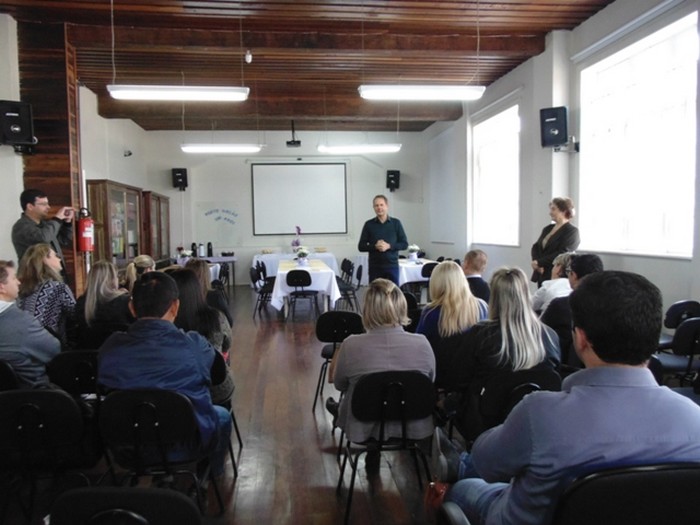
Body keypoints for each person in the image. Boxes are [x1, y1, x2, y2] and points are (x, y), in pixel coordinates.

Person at [437, 271, 700, 525]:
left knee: (462, 487)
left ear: (581, 338)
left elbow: (486, 465)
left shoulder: (540, 412)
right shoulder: (694, 419)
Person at [97, 271, 232, 477]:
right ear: (175, 307)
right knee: (222, 415)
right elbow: (218, 377)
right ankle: (213, 474)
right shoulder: (194, 345)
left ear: (132, 308)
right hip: (186, 443)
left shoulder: (110, 347)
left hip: (128, 445)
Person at [445, 267, 560, 441]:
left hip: (487, 424)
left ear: (494, 297)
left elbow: (456, 379)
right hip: (538, 421)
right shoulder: (550, 336)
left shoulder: (481, 334)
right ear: (525, 294)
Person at [327, 278, 435, 446]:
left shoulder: (351, 344)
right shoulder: (422, 343)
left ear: (367, 309)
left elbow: (339, 384)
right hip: (413, 424)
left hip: (363, 424)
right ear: (402, 306)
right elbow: (429, 381)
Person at [416, 261, 488, 388]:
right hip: (474, 374)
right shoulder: (482, 307)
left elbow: (420, 344)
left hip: (441, 374)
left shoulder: (431, 313)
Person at [0, 260, 60, 388]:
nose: (18, 282)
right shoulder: (23, 322)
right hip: (33, 394)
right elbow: (55, 352)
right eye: (14, 278)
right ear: (1, 287)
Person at [541, 253, 603, 367]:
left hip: (562, 366)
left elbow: (540, 332)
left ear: (573, 275)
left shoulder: (559, 305)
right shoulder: (607, 307)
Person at [169, 267, 232, 363]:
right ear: (198, 290)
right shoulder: (216, 317)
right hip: (213, 368)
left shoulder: (167, 321)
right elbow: (227, 344)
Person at [17, 243, 76, 345]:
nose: (59, 259)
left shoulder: (21, 290)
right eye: (55, 255)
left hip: (23, 344)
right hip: (48, 345)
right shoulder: (58, 288)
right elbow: (76, 314)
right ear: (45, 259)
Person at [11, 188, 74, 277]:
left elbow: (63, 241)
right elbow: (43, 238)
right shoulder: (21, 227)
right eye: (43, 204)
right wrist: (57, 218)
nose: (48, 207)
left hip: (53, 275)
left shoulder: (45, 225)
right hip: (35, 278)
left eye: (47, 203)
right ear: (30, 206)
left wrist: (67, 223)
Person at [73, 260, 134, 349]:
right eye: (116, 277)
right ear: (111, 280)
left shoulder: (81, 302)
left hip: (88, 353)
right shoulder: (123, 301)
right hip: (120, 351)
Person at [358, 195, 408, 285]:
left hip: (392, 266)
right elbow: (361, 246)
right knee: (375, 292)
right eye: (376, 205)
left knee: (393, 292)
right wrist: (375, 246)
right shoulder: (369, 224)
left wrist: (389, 246)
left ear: (387, 206)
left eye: (381, 205)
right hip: (375, 267)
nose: (379, 208)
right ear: (373, 207)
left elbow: (404, 244)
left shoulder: (396, 223)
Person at [530, 197, 580, 287]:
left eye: (553, 209)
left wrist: (539, 262)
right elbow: (536, 247)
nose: (550, 212)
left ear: (564, 211)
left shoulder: (572, 231)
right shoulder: (547, 228)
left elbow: (563, 253)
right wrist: (536, 263)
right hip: (542, 272)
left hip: (557, 274)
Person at [185, 257, 233, 327]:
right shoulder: (215, 297)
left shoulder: (181, 298)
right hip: (210, 332)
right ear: (207, 276)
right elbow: (229, 322)